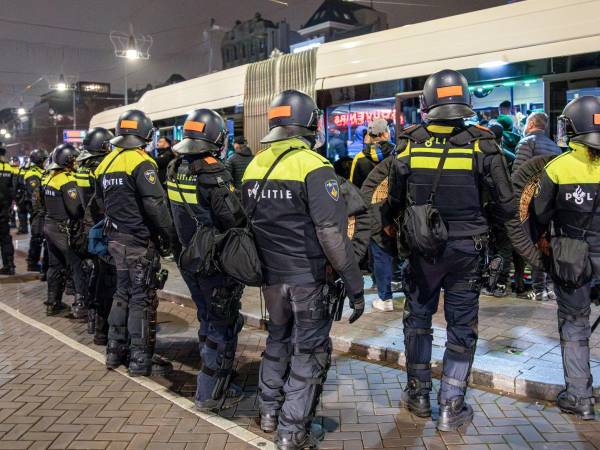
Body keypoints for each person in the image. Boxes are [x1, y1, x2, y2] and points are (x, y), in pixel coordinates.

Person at [386, 70, 515, 431]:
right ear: (466, 102)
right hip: (467, 251)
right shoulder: (484, 144)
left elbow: (394, 201)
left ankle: (418, 395)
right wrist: (502, 251)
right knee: (461, 327)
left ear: (427, 104)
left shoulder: (408, 143)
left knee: (418, 321)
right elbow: (506, 207)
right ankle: (451, 405)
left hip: (421, 251)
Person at [242, 90, 364, 449]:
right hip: (307, 279)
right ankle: (292, 432)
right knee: (308, 352)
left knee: (277, 340)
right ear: (309, 123)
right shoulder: (314, 166)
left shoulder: (254, 165)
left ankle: (268, 412)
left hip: (270, 278)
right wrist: (355, 284)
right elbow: (331, 234)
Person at [166, 108, 247, 411]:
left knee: (206, 316)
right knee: (221, 324)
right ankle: (210, 391)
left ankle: (210, 372)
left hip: (189, 258)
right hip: (213, 261)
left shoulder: (175, 167)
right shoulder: (213, 172)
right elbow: (234, 219)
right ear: (215, 138)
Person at [532, 95, 600, 420]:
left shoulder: (557, 168)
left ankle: (580, 397)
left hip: (573, 260)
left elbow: (540, 214)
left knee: (575, 326)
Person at [95, 109, 176, 377]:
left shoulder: (105, 163)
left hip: (115, 239)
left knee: (121, 293)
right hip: (139, 241)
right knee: (141, 298)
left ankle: (113, 351)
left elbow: (99, 203)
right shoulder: (142, 163)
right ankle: (140, 360)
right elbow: (155, 205)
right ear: (145, 134)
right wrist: (167, 237)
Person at [513, 112, 562, 301]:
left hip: (531, 202)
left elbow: (518, 175)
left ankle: (538, 288)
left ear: (532, 123)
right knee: (546, 242)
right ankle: (548, 287)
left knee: (533, 245)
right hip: (550, 203)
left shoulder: (527, 142)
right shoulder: (553, 145)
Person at [75, 127, 117, 342]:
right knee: (107, 279)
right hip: (101, 227)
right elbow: (102, 201)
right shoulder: (99, 167)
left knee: (95, 274)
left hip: (87, 225)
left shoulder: (82, 165)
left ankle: (93, 321)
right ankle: (102, 329)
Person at [43, 144, 87, 316]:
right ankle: (80, 304)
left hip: (50, 226)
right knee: (77, 265)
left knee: (55, 266)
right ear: (68, 160)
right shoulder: (67, 180)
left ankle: (53, 302)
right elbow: (75, 209)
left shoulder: (49, 178)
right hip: (63, 229)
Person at [349, 118, 394, 189]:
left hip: (366, 199)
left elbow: (353, 187)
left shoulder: (359, 157)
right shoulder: (396, 154)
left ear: (369, 135)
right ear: (385, 134)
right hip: (392, 200)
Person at [24, 149, 48, 272]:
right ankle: (32, 262)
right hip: (37, 211)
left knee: (41, 236)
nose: (46, 161)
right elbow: (34, 195)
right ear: (39, 160)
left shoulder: (41, 171)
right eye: (44, 159)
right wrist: (38, 211)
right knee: (37, 236)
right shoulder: (32, 174)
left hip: (42, 210)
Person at [0, 146, 15, 275]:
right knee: (5, 237)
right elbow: (13, 190)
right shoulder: (9, 168)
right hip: (4, 209)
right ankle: (9, 265)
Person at [14, 157, 30, 235]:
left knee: (23, 213)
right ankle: (24, 229)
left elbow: (17, 183)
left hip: (24, 195)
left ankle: (24, 229)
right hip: (24, 195)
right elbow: (17, 183)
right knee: (22, 213)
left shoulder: (22, 170)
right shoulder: (23, 170)